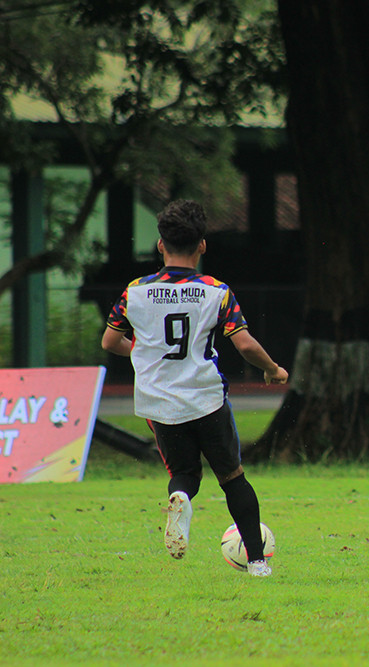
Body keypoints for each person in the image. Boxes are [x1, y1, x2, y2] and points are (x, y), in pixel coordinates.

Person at [101, 199, 288, 577]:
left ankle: (182, 498)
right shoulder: (215, 291)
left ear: (160, 244)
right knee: (232, 476)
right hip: (205, 398)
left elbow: (109, 342)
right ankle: (256, 563)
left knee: (184, 473)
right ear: (202, 245)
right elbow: (246, 344)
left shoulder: (134, 291)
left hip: (158, 402)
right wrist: (273, 369)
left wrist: (140, 352)